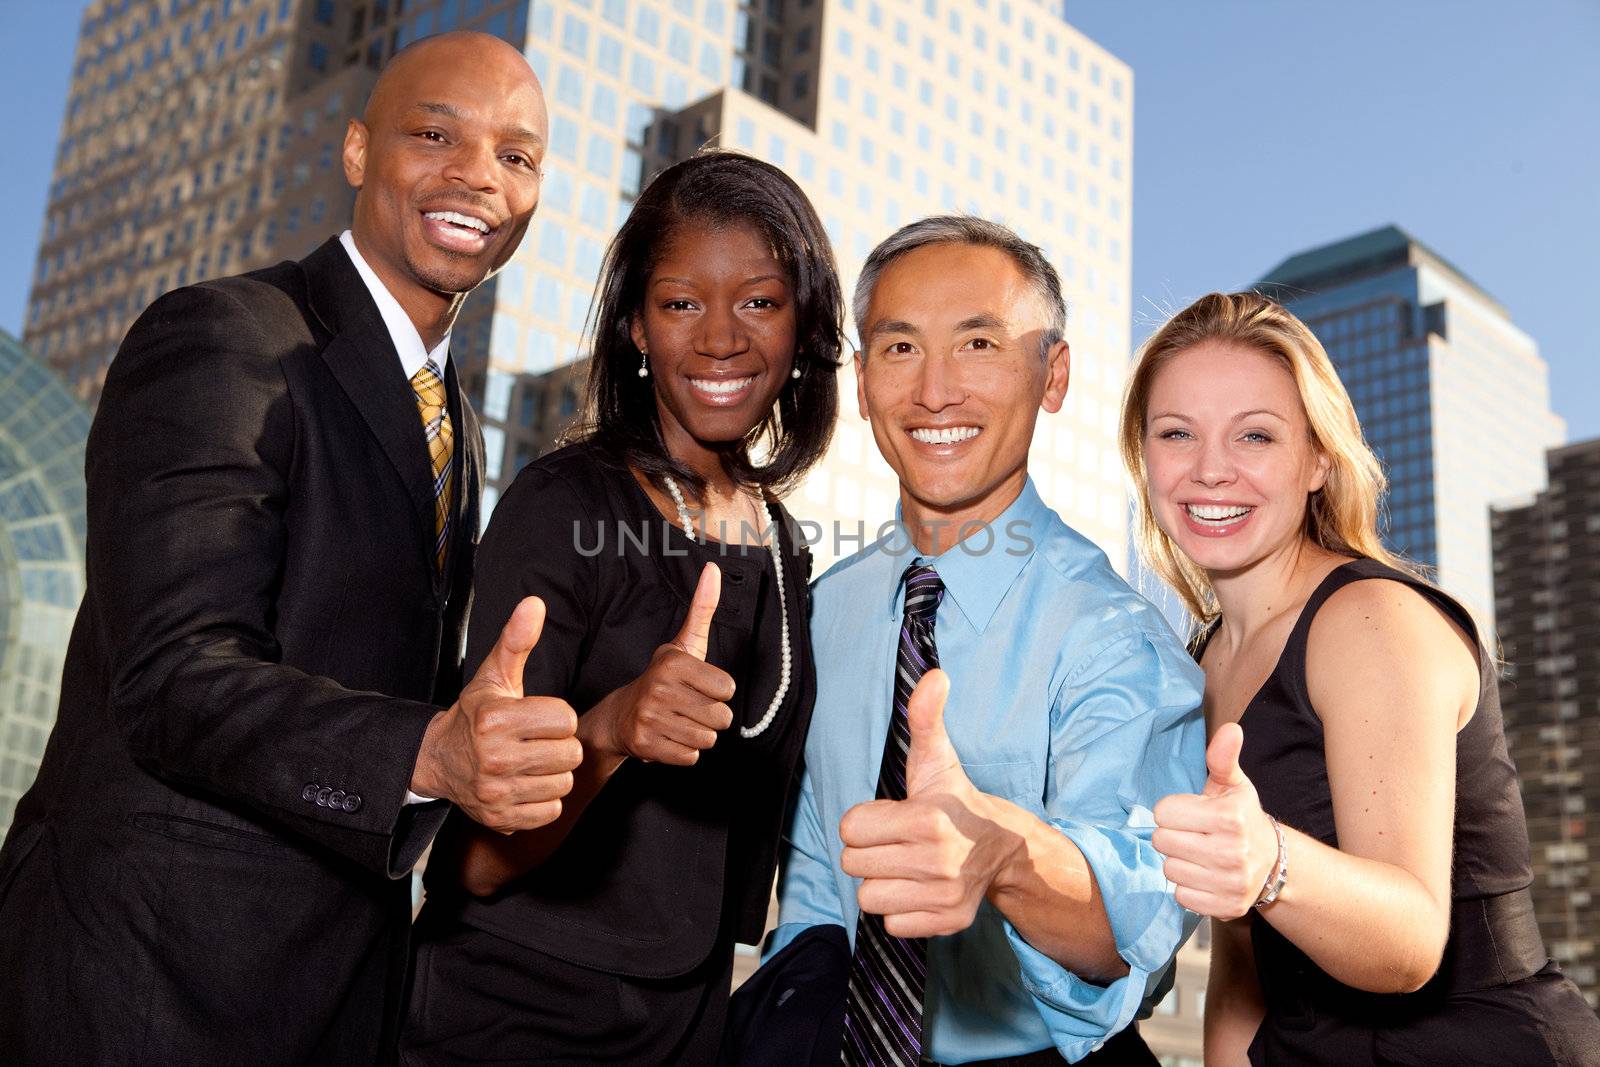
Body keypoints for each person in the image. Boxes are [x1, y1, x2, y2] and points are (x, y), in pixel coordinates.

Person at [0, 32, 586, 1065]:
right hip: (151, 986)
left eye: (516, 155)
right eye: (434, 133)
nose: (478, 175)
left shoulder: (447, 413)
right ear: (358, 151)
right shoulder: (226, 338)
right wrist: (429, 750)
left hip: (335, 987)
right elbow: (175, 677)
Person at [400, 150, 844, 1065]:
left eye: (759, 301)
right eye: (682, 302)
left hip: (688, 1020)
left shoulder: (786, 544)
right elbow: (475, 862)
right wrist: (609, 728)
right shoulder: (568, 501)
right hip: (514, 1016)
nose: (720, 338)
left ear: (802, 324)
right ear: (638, 327)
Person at [766, 216, 1207, 1066]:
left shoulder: (1117, 639)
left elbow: (1130, 930)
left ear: (1054, 373)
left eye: (978, 344)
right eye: (899, 349)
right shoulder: (824, 611)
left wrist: (1003, 854)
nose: (935, 391)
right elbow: (816, 896)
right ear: (861, 383)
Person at [1124, 292, 1600, 1066]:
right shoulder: (1202, 660)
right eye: (1177, 433)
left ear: (1317, 458)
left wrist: (1268, 857)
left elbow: (1410, 941)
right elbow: (1241, 965)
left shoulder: (1371, 619)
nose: (1210, 469)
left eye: (1255, 435)